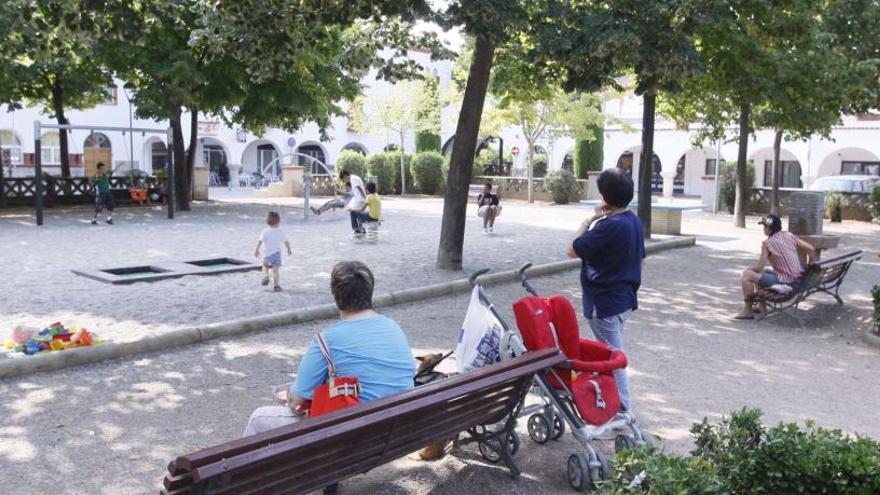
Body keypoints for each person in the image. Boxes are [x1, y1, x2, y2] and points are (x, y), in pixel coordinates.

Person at [243, 261, 415, 436]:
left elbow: (295, 402)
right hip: (395, 429)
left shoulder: (326, 340)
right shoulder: (393, 327)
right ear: (370, 292)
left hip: (354, 434)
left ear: (335, 295)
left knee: (259, 418)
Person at [567, 168, 644, 413]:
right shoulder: (633, 221)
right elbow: (642, 261)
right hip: (625, 301)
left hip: (605, 303)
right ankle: (611, 404)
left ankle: (624, 411)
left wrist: (588, 220)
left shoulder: (606, 226)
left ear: (604, 196)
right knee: (611, 354)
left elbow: (572, 249)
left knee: (614, 359)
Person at [735, 214, 816, 319]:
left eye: (764, 226)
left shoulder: (767, 243)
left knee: (746, 275)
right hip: (798, 279)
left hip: (786, 282)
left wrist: (750, 269)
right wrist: (811, 263)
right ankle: (761, 306)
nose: (763, 229)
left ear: (769, 229)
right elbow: (811, 249)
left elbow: (759, 267)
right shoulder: (789, 235)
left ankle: (748, 310)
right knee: (761, 274)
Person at [254, 211, 292, 292]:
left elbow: (260, 241)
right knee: (276, 271)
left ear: (267, 222)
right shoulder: (280, 231)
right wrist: (288, 249)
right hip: (277, 255)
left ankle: (266, 276)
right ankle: (276, 286)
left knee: (265, 266)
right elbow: (286, 242)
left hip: (267, 254)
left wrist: (256, 250)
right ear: (278, 222)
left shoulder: (265, 232)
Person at [339, 170, 367, 234]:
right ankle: (359, 228)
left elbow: (359, 188)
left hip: (360, 200)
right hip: (359, 199)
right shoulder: (354, 177)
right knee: (357, 213)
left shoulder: (353, 179)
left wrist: (365, 198)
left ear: (345, 176)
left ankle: (357, 229)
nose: (344, 181)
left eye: (343, 179)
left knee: (354, 212)